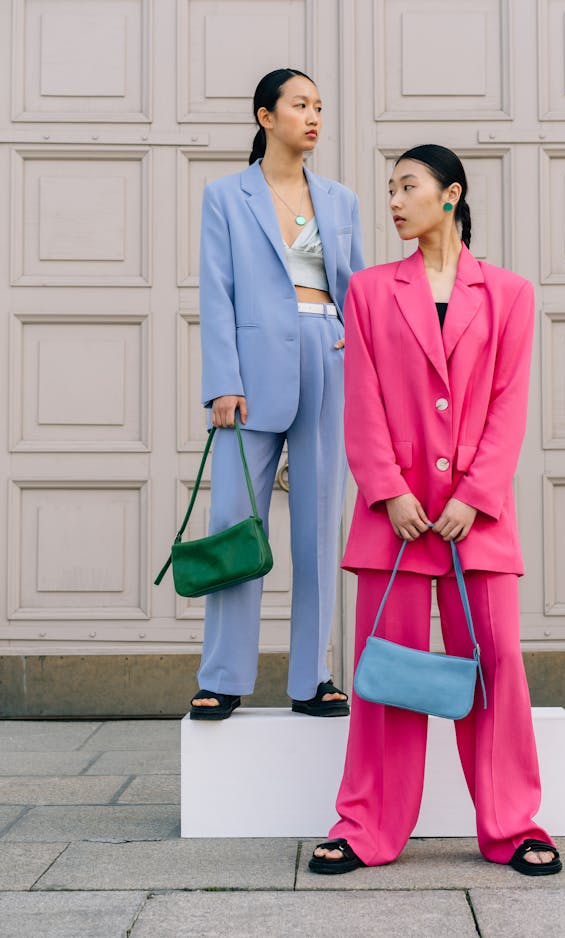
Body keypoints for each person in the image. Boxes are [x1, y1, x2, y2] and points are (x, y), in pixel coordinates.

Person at [308, 145, 561, 875]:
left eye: (407, 186)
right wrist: (389, 490)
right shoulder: (368, 290)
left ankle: (514, 827)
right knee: (385, 676)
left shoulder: (510, 293)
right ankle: (365, 828)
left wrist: (477, 496)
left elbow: (510, 404)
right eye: (389, 188)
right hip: (398, 516)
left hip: (475, 519)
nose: (392, 199)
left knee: (496, 669)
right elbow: (361, 398)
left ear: (450, 196)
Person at [191, 68, 364, 720]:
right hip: (251, 374)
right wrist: (221, 385)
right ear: (266, 116)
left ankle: (311, 677)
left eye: (320, 106)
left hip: (327, 357)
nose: (313, 116)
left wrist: (361, 349)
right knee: (238, 523)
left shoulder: (339, 200)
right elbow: (217, 293)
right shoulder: (226, 196)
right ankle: (224, 675)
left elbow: (358, 288)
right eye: (300, 105)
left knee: (321, 529)